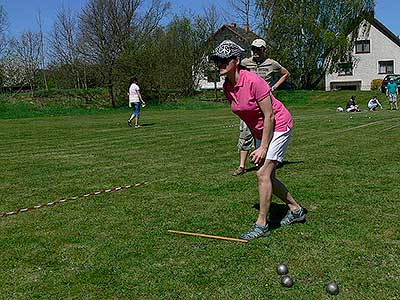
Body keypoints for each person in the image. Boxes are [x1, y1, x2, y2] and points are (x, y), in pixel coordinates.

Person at [209, 40, 306, 241]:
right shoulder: (228, 87)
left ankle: (262, 224)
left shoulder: (253, 81)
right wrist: (256, 137)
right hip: (260, 131)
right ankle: (296, 209)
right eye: (216, 60)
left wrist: (263, 147)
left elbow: (269, 115)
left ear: (236, 61)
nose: (219, 64)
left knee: (262, 173)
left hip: (279, 125)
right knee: (268, 177)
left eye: (223, 60)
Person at [232, 39, 290, 176]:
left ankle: (268, 158)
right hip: (248, 105)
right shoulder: (246, 63)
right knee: (245, 133)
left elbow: (286, 73)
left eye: (258, 49)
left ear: (264, 50)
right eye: (254, 49)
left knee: (267, 131)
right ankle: (241, 166)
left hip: (265, 103)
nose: (256, 52)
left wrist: (274, 87)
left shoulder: (272, 64)